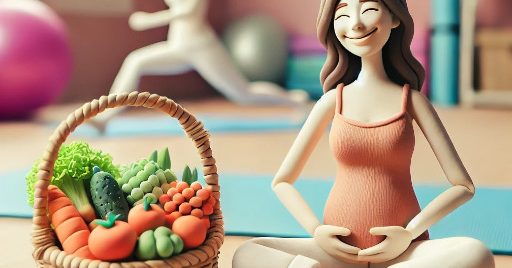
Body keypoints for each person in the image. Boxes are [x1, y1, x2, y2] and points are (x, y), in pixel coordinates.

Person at [232, 0, 495, 267]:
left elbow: (463, 186)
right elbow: (282, 181)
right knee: (248, 253)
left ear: (395, 18)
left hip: (403, 253)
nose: (355, 22)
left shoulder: (412, 101)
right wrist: (316, 231)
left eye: (368, 9)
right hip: (337, 253)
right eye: (342, 13)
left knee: (477, 255)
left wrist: (409, 233)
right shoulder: (333, 101)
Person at [90, 0, 308, 130]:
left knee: (243, 93)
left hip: (201, 47)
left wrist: (150, 20)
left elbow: (189, 11)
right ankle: (107, 117)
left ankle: (294, 100)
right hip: (178, 47)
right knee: (135, 61)